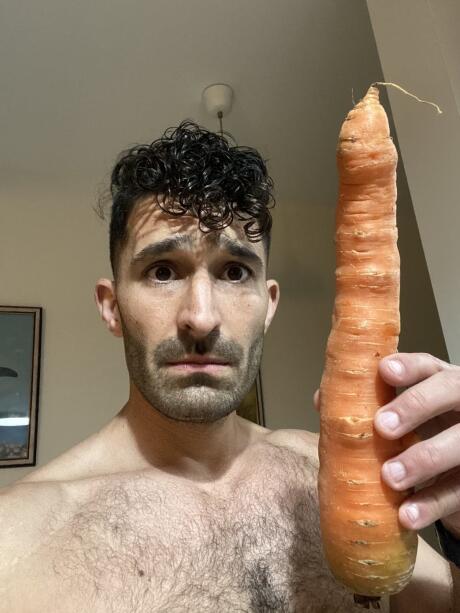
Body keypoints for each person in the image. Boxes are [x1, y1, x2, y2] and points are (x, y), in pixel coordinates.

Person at [1, 121, 459, 612]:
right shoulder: (18, 541)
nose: (201, 317)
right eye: (162, 272)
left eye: (234, 272)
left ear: (269, 304)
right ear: (111, 307)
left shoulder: (330, 476)